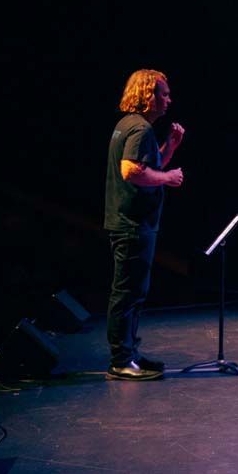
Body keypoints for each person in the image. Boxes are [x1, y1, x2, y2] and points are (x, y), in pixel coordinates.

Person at [103, 69, 185, 381]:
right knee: (127, 293)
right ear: (147, 95)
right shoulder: (139, 129)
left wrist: (170, 147)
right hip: (132, 223)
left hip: (132, 222)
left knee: (134, 292)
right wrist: (168, 178)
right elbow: (131, 171)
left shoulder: (129, 125)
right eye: (163, 93)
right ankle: (121, 360)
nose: (168, 99)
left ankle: (130, 354)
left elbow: (147, 164)